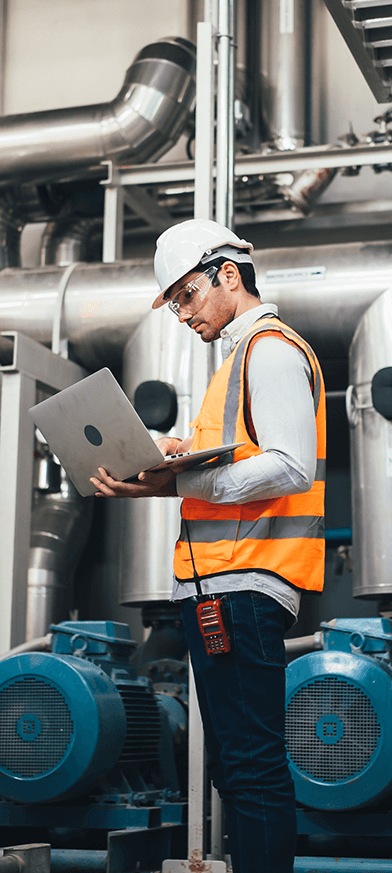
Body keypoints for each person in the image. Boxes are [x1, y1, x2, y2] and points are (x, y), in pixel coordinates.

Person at [91, 218, 326, 873]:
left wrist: (185, 473)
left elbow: (290, 466)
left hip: (245, 586)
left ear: (228, 274)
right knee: (235, 765)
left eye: (186, 297)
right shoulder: (240, 361)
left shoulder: (270, 350)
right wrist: (158, 479)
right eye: (172, 306)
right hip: (221, 587)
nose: (182, 316)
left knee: (251, 769)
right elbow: (230, 475)